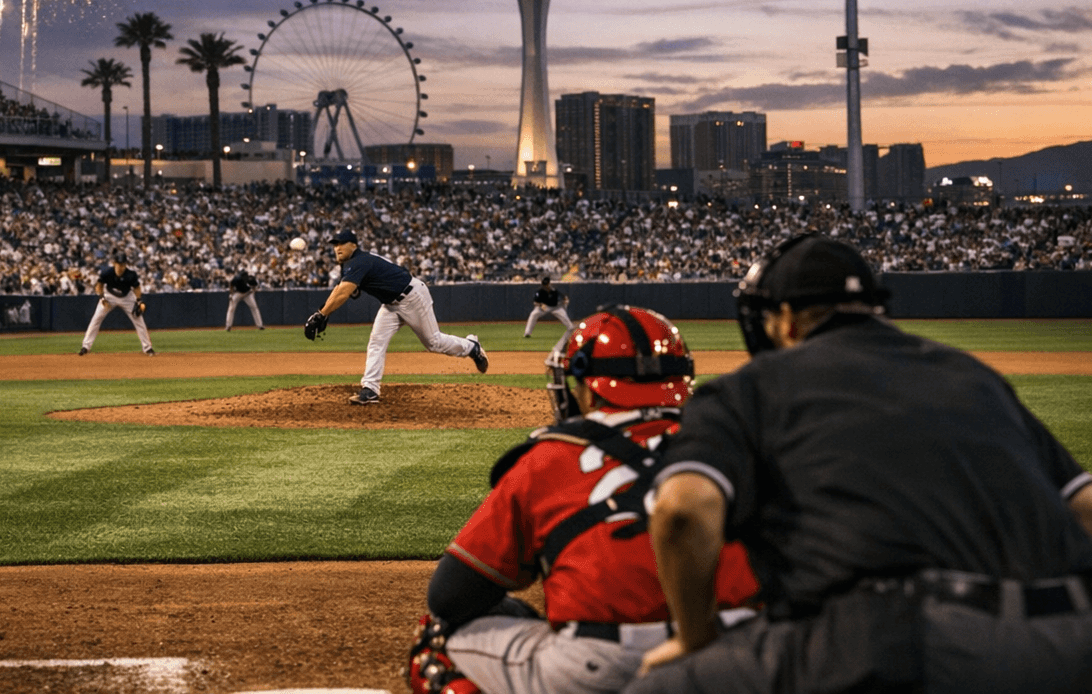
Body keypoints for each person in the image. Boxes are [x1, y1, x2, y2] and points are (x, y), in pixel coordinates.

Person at [629, 233, 1092, 694]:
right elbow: (1085, 507)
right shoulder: (974, 377)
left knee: (658, 687)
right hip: (1066, 637)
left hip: (897, 640)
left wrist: (694, 638)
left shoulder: (749, 388)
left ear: (786, 319)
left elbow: (683, 512)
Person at [407, 306, 760, 694]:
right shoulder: (744, 445)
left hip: (599, 665)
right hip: (742, 656)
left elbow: (449, 596)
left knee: (437, 637)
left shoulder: (548, 458)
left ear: (588, 390)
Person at [305, 228, 486, 405]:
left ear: (353, 245)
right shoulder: (351, 264)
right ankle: (370, 389)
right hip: (391, 304)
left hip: (412, 297)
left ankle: (472, 347)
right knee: (376, 341)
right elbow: (338, 289)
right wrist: (322, 313)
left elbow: (343, 293)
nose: (337, 247)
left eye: (341, 243)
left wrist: (321, 315)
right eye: (335, 244)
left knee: (434, 342)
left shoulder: (360, 261)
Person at [79, 251, 154, 356]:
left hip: (127, 297)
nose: (121, 266)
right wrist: (102, 298)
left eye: (123, 264)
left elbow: (137, 288)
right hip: (109, 296)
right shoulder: (107, 273)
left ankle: (147, 348)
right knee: (96, 319)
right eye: (119, 264)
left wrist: (139, 301)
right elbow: (99, 285)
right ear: (114, 263)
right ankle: (85, 346)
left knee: (139, 321)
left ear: (125, 264)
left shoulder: (131, 275)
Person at [226, 265, 264, 331]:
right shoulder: (237, 278)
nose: (244, 275)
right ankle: (228, 326)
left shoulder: (250, 278)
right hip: (238, 293)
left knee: (254, 307)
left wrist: (253, 291)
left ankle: (260, 325)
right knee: (231, 308)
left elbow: (255, 286)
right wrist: (231, 294)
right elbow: (231, 285)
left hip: (247, 294)